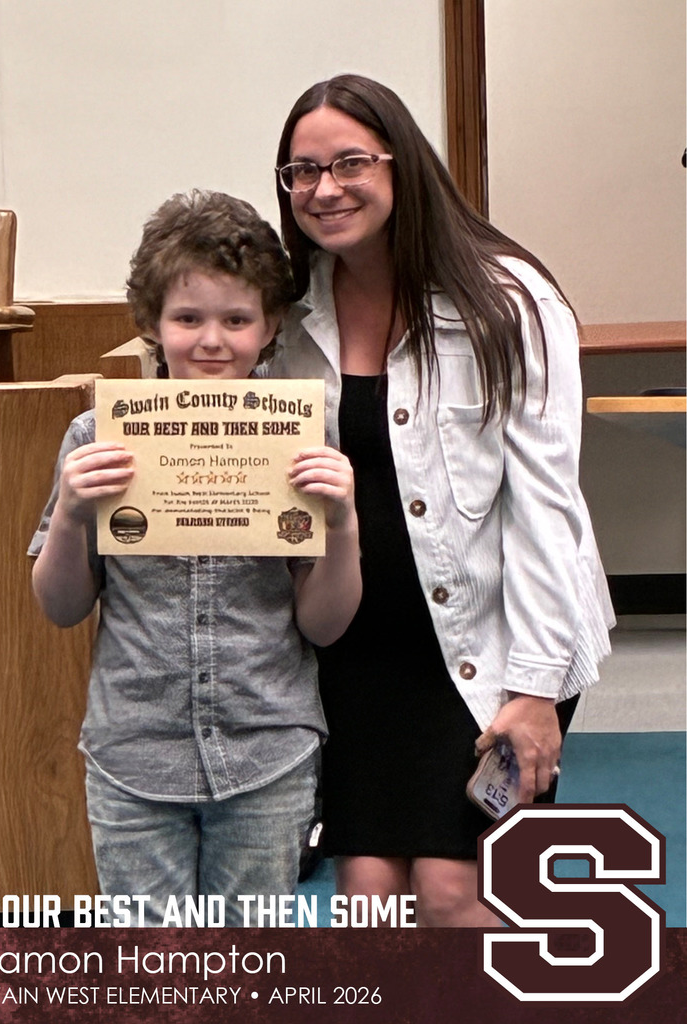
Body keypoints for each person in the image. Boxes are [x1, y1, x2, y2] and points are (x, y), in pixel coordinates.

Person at [271, 74, 615, 926]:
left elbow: (546, 506)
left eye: (350, 161)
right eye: (300, 171)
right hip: (357, 650)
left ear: (403, 165)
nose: (324, 188)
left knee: (452, 893)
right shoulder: (283, 316)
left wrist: (533, 690)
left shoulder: (505, 302)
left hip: (493, 638)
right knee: (370, 898)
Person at [29, 189, 361, 926]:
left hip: (266, 749)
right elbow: (59, 607)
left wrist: (342, 526)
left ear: (270, 326)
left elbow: (325, 626)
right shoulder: (97, 438)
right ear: (151, 323)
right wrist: (73, 514)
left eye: (237, 320)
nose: (212, 341)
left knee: (247, 968)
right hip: (135, 754)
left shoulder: (303, 439)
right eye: (188, 319)